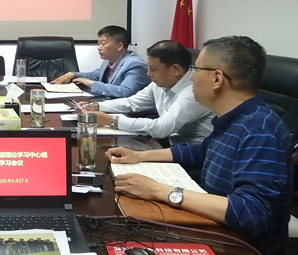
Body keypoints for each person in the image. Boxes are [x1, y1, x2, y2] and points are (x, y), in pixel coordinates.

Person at [106, 36, 293, 254]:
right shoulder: (234, 118)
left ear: (217, 79)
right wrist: (139, 156)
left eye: (196, 69)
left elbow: (250, 213)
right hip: (211, 227)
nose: (192, 76)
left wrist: (157, 190)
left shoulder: (260, 131)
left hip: (238, 246)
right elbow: (201, 151)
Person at [84, 40, 213, 144]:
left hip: (193, 154)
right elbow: (132, 102)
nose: (148, 73)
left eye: (153, 69)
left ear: (176, 70)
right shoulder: (160, 83)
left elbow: (161, 128)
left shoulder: (193, 92)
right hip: (170, 144)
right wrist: (97, 106)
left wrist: (112, 120)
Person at [51, 25, 150, 98]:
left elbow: (125, 92)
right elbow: (94, 75)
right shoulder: (109, 61)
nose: (99, 47)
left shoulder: (135, 65)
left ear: (119, 46)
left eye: (103, 43)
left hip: (129, 114)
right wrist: (73, 74)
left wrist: (91, 83)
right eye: (98, 44)